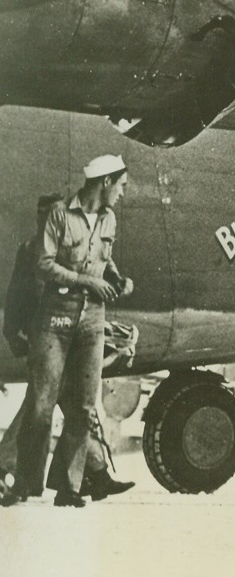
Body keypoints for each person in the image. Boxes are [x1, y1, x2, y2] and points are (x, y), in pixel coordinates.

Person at [2, 155, 134, 508]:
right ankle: (26, 485)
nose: (123, 193)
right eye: (120, 185)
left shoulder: (109, 219)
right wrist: (88, 281)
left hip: (92, 319)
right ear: (104, 182)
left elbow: (105, 259)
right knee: (42, 406)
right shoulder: (59, 216)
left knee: (83, 406)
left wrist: (116, 279)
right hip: (55, 316)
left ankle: (69, 488)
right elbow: (44, 265)